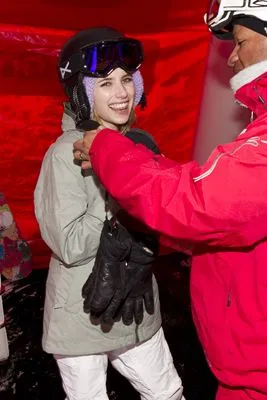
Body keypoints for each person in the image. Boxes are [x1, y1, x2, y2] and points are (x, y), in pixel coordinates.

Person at [73, 3, 267, 400]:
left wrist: (114, 155)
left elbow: (200, 202)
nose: (231, 57)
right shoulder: (69, 152)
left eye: (241, 42)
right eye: (105, 83)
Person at [34, 27, 184, 400]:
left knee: (168, 394)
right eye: (105, 83)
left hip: (135, 308)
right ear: (83, 93)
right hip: (82, 314)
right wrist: (124, 192)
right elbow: (67, 244)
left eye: (127, 80)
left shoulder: (138, 143)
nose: (122, 93)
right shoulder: (64, 155)